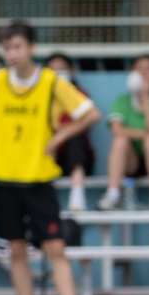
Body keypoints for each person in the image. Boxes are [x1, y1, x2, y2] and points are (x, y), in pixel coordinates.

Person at [0, 22, 101, 295]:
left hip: (39, 178)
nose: (12, 53)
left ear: (31, 48)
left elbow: (91, 114)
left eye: (17, 47)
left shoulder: (52, 82)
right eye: (7, 48)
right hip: (3, 177)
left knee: (55, 247)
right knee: (16, 249)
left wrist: (60, 136)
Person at [101, 52, 149, 213]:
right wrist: (146, 134)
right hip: (131, 162)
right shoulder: (122, 100)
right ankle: (113, 194)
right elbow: (117, 130)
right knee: (120, 140)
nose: (144, 74)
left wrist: (146, 99)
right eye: (139, 69)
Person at [45, 51, 97, 211]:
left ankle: (77, 196)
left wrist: (58, 136)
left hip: (76, 158)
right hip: (48, 154)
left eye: (62, 69)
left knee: (75, 138)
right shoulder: (41, 97)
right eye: (53, 70)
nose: (58, 74)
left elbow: (84, 120)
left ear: (72, 72)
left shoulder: (79, 95)